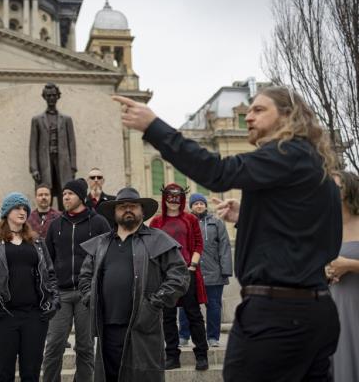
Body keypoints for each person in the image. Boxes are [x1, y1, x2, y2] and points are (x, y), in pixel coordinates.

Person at [115, 86, 342, 382]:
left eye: (259, 110)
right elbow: (314, 233)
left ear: (289, 116)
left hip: (277, 316)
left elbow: (218, 172)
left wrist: (153, 127)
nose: (248, 116)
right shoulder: (312, 163)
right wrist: (250, 215)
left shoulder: (285, 153)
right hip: (315, 312)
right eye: (248, 110)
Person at [78, 187, 189, 382]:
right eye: (122, 206)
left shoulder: (158, 239)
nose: (128, 210)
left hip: (143, 328)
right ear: (115, 212)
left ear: (142, 211)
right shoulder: (101, 243)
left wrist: (154, 302)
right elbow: (85, 277)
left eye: (133, 206)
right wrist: (91, 298)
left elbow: (179, 275)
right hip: (108, 328)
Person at [0, 192, 60, 382]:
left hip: (34, 317)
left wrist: (54, 301)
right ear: (6, 212)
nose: (22, 211)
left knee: (31, 374)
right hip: (1, 317)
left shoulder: (37, 242)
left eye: (25, 208)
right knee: (3, 375)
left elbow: (50, 275)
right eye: (17, 207)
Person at [42, 178, 111, 382]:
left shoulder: (99, 222)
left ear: (81, 196)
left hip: (86, 294)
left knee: (85, 346)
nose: (65, 197)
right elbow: (47, 260)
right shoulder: (56, 225)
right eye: (63, 194)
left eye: (69, 194)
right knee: (54, 344)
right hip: (60, 295)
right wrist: (50, 288)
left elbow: (108, 255)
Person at [149, 184, 209, 371]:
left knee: (194, 315)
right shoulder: (157, 222)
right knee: (167, 317)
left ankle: (201, 355)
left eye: (177, 197)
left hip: (187, 273)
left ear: (182, 199)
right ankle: (172, 356)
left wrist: (192, 266)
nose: (173, 201)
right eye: (170, 197)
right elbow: (152, 247)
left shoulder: (190, 219)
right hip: (165, 276)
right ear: (165, 198)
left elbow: (199, 244)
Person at [179, 193, 232, 348]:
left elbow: (224, 247)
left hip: (213, 272)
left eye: (202, 203)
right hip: (190, 272)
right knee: (185, 305)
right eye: (196, 204)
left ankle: (213, 337)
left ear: (206, 205)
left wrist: (225, 270)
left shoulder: (217, 223)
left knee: (214, 306)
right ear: (191, 206)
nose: (199, 206)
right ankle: (183, 336)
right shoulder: (185, 223)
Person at [326, 171, 359, 382]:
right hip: (336, 306)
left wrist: (349, 265)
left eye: (335, 187)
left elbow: (344, 263)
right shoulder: (327, 228)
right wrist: (327, 270)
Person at [29, 83, 77, 210]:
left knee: (65, 193)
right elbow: (33, 146)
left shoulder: (66, 119)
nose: (51, 98)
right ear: (44, 97)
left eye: (54, 95)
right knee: (45, 193)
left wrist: (73, 167)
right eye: (48, 95)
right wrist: (34, 168)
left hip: (63, 163)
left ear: (58, 97)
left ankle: (65, 221)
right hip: (45, 162)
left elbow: (72, 144)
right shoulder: (37, 120)